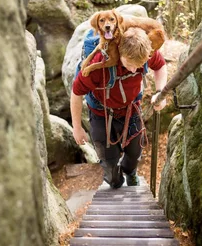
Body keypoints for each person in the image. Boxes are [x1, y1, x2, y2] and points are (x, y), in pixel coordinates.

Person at [70, 27, 167, 189]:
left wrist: (160, 91)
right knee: (110, 166)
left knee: (135, 151)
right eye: (130, 64)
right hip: (101, 114)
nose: (134, 70)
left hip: (131, 108)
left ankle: (130, 172)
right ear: (119, 53)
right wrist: (77, 127)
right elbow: (76, 93)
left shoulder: (144, 52)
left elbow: (161, 66)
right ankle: (115, 178)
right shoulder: (97, 66)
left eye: (139, 65)